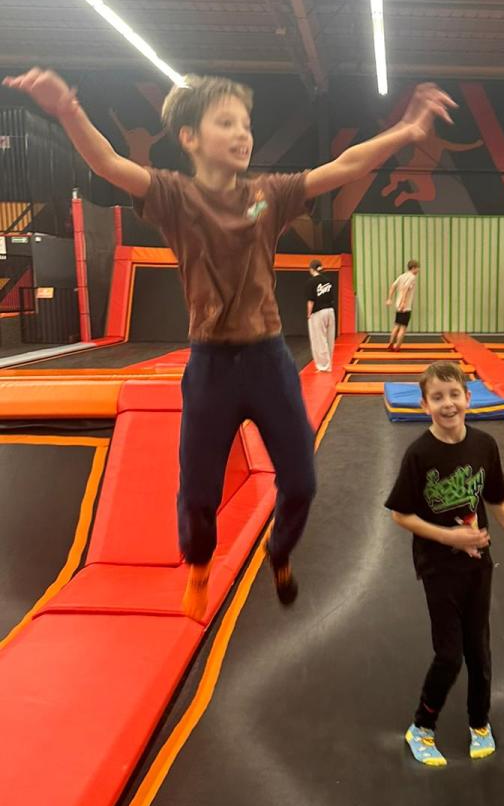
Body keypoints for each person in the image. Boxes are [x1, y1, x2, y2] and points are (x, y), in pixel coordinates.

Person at [3, 67, 457, 620]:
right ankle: (199, 564)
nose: (242, 134)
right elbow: (109, 164)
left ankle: (279, 551)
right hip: (211, 367)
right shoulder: (173, 197)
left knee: (301, 482)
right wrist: (67, 108)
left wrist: (408, 131)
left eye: (246, 124)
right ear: (190, 137)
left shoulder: (267, 196)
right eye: (226, 123)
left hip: (268, 361)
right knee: (198, 493)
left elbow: (344, 166)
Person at [385, 361, 504, 766]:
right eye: (437, 397)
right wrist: (449, 537)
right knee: (449, 654)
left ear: (468, 398)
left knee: (479, 650)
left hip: (478, 565)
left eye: (454, 394)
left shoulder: (484, 445)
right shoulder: (419, 454)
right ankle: (421, 727)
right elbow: (400, 514)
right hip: (437, 567)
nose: (448, 404)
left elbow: (496, 498)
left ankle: (479, 722)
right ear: (424, 405)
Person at [306, 258, 336, 372]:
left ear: (311, 269)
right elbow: (332, 298)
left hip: (318, 312)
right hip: (330, 311)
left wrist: (309, 314)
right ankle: (329, 364)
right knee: (330, 338)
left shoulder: (311, 282)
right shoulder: (328, 280)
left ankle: (324, 366)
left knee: (320, 339)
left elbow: (311, 300)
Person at [385, 259, 420, 350]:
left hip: (398, 305)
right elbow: (406, 288)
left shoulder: (402, 276)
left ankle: (391, 344)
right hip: (405, 306)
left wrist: (389, 299)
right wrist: (403, 302)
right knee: (403, 328)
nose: (418, 270)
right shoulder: (412, 277)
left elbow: (393, 286)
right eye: (417, 268)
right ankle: (397, 347)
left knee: (397, 325)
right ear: (413, 268)